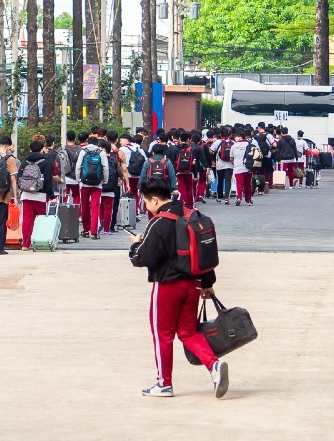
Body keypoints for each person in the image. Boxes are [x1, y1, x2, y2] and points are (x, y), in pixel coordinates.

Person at [129, 176, 229, 399]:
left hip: (167, 286)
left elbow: (143, 257)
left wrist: (135, 245)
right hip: (193, 284)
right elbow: (202, 250)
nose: (147, 207)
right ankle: (214, 365)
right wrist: (207, 283)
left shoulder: (159, 222)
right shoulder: (189, 215)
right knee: (188, 332)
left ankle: (164, 383)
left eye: (146, 202)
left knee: (162, 334)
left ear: (155, 200)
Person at [17, 140, 55, 250]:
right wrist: (51, 196)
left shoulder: (24, 162)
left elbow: (19, 178)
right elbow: (48, 181)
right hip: (41, 196)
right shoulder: (45, 163)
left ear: (30, 149)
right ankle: (40, 242)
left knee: (27, 220)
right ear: (41, 149)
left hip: (26, 195)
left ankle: (25, 244)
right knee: (41, 220)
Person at [74, 134, 107, 240]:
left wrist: (78, 178)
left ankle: (85, 230)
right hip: (97, 184)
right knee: (95, 206)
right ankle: (94, 232)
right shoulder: (101, 152)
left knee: (84, 207)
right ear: (97, 143)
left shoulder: (83, 151)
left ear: (88, 142)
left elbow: (78, 166)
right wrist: (105, 180)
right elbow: (105, 167)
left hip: (84, 183)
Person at [211, 128, 234, 205]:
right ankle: (227, 198)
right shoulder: (233, 142)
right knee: (228, 181)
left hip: (220, 165)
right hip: (230, 165)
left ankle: (219, 197)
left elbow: (211, 150)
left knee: (220, 180)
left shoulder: (218, 142)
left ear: (220, 134)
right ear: (229, 134)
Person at [63, 131, 81, 204]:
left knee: (64, 195)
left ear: (66, 139)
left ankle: (64, 213)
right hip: (76, 177)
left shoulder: (62, 149)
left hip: (65, 177)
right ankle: (76, 213)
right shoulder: (80, 150)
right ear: (75, 139)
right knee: (77, 195)